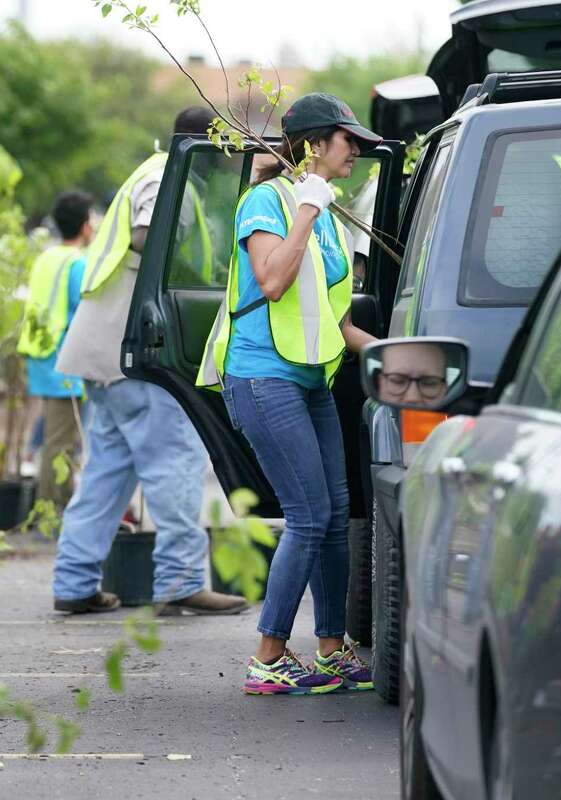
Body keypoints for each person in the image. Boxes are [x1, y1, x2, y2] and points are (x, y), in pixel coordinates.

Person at [198, 92, 381, 694]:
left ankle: (330, 650)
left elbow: (335, 317)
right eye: (346, 139)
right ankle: (269, 656)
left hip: (312, 379)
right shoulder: (267, 202)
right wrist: (304, 209)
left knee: (334, 517)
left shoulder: (325, 212)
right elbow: (274, 282)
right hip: (261, 377)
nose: (355, 149)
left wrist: (389, 354)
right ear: (313, 144)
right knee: (307, 517)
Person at [51, 107, 249, 616]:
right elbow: (147, 234)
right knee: (175, 463)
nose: (229, 161)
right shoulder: (168, 176)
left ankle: (74, 582)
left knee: (108, 473)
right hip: (137, 350)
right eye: (225, 148)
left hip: (108, 351)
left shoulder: (158, 171)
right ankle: (181, 581)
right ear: (206, 144)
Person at [18, 190, 96, 512]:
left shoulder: (47, 257)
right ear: (84, 226)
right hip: (65, 360)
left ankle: (53, 509)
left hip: (42, 355)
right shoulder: (77, 264)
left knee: (54, 438)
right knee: (60, 444)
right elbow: (89, 310)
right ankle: (55, 513)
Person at [375, 342, 448, 406]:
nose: (412, 398)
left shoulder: (456, 420)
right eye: (398, 381)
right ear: (380, 383)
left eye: (428, 383)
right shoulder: (379, 417)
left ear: (445, 389)